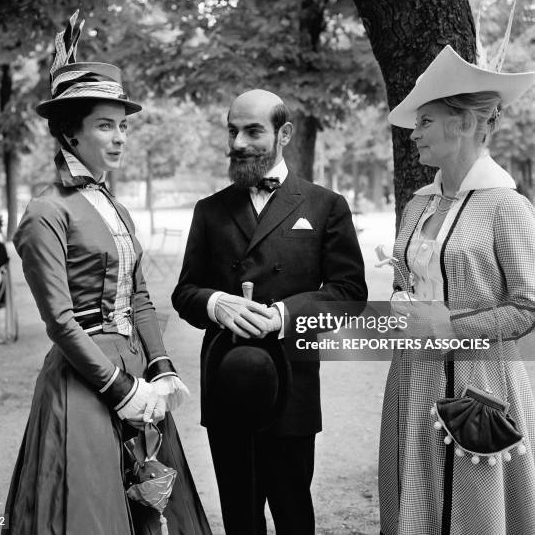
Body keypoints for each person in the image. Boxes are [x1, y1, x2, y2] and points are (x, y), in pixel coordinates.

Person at [4, 13, 211, 535]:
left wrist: (161, 367)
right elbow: (59, 321)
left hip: (137, 370)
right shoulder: (45, 211)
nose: (119, 138)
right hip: (85, 379)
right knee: (94, 511)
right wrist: (121, 390)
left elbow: (139, 295)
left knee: (152, 499)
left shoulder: (112, 205)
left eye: (123, 125)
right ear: (69, 133)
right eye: (105, 125)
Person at [172, 89, 367, 534]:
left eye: (253, 131)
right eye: (232, 130)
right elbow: (185, 292)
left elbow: (350, 292)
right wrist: (216, 304)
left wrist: (283, 315)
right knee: (239, 515)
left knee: (294, 511)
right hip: (226, 380)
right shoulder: (210, 210)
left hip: (292, 384)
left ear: (284, 134)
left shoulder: (325, 206)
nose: (238, 142)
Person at [380, 45, 535, 535]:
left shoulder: (505, 206)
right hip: (412, 371)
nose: (414, 133)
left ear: (465, 124)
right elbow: (406, 280)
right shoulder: (418, 205)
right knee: (417, 497)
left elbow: (527, 305)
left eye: (426, 121)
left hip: (479, 380)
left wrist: (444, 325)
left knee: (468, 509)